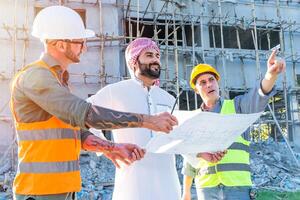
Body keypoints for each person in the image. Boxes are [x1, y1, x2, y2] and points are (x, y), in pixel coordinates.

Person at [11, 6, 178, 200]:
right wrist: (147, 120)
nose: (84, 47)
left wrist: (111, 148)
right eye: (79, 42)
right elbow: (85, 114)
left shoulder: (58, 81)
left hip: (60, 189)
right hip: (38, 191)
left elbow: (77, 132)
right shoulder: (35, 77)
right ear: (60, 44)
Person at [181, 50, 285, 200]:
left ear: (217, 83)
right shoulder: (194, 119)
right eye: (202, 83)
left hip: (237, 188)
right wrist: (186, 192)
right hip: (206, 188)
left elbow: (257, 96)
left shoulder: (237, 108)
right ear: (196, 90)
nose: (209, 84)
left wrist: (271, 75)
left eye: (211, 80)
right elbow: (189, 157)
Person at [87, 37, 181, 200]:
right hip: (132, 185)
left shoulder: (169, 99)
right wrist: (108, 148)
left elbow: (178, 138)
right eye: (149, 55)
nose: (155, 60)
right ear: (134, 61)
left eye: (158, 56)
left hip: (168, 185)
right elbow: (84, 115)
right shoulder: (115, 92)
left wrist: (200, 155)